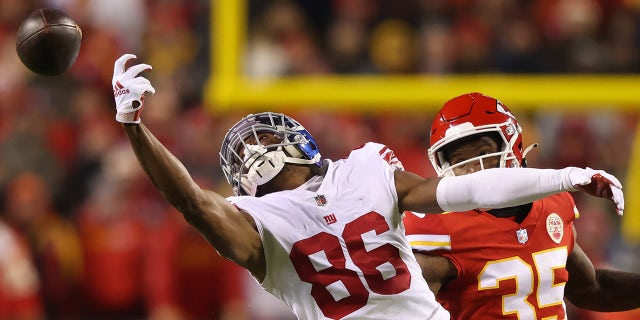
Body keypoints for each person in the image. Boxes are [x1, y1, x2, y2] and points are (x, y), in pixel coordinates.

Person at [111, 54, 624, 320]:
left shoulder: (363, 168)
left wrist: (567, 178)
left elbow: (458, 193)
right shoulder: (256, 223)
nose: (262, 147)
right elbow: (193, 203)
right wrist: (134, 125)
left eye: (267, 134)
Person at [404, 92, 640, 319]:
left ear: (513, 146)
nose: (474, 171)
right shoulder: (437, 230)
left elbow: (591, 289)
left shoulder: (553, 204)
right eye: (460, 162)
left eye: (484, 153)